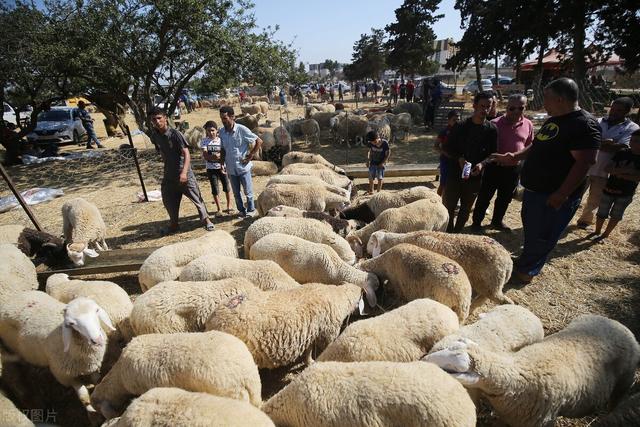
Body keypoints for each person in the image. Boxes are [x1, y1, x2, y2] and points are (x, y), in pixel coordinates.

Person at [492, 78, 600, 283]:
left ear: (560, 99)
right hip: (536, 191)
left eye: (547, 99)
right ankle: (526, 261)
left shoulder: (584, 125)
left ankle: (526, 272)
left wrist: (562, 194)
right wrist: (515, 156)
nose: (544, 104)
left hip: (554, 195)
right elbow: (536, 145)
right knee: (533, 231)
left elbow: (585, 163)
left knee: (544, 235)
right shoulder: (554, 119)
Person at [148, 107, 214, 234]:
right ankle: (174, 224)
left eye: (159, 118)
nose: (156, 121)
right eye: (153, 119)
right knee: (168, 199)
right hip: (169, 174)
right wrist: (167, 165)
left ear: (165, 118)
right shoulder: (155, 136)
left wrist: (184, 172)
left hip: (183, 173)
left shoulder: (175, 134)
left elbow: (186, 154)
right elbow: (161, 151)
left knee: (196, 198)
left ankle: (206, 220)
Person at [472, 94, 533, 231]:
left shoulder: (528, 124)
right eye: (512, 108)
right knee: (485, 197)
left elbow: (529, 145)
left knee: (505, 198)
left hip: (513, 169)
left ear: (525, 107)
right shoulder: (494, 124)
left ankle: (497, 221)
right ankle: (476, 223)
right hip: (494, 167)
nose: (516, 111)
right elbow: (484, 148)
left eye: (520, 108)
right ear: (506, 108)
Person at [576, 97, 639, 229]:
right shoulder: (598, 121)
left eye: (619, 110)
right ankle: (565, 215)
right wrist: (607, 143)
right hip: (584, 166)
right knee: (575, 193)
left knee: (595, 199)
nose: (614, 112)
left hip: (604, 170)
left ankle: (585, 221)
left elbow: (623, 147)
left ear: (627, 112)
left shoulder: (632, 127)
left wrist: (597, 143)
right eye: (613, 109)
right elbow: (584, 140)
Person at [443, 92, 497, 232]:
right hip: (455, 174)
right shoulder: (460, 126)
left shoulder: (491, 130)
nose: (484, 110)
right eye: (482, 106)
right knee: (448, 207)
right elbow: (447, 148)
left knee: (466, 209)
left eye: (488, 107)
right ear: (474, 106)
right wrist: (459, 158)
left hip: (474, 177)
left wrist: (482, 164)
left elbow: (493, 154)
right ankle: (448, 233)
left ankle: (457, 233)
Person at [593, 130, 640, 241]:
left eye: (637, 141)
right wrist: (626, 171)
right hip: (609, 188)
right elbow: (607, 168)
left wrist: (618, 172)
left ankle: (605, 234)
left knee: (616, 215)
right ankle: (597, 231)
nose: (633, 143)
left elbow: (638, 177)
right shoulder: (622, 152)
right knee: (601, 212)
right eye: (632, 140)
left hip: (625, 193)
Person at [218, 106, 263, 218]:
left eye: (225, 118)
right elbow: (223, 148)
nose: (223, 121)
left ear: (232, 117)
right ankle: (241, 210)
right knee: (236, 193)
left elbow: (259, 141)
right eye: (221, 118)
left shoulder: (242, 130)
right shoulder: (221, 132)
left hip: (243, 167)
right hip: (231, 167)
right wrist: (221, 163)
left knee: (248, 191)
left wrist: (250, 155)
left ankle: (251, 210)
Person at [200, 120, 232, 215]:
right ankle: (219, 209)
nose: (211, 133)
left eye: (213, 130)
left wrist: (218, 157)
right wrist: (214, 157)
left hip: (223, 167)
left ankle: (229, 206)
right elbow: (205, 155)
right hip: (211, 168)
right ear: (206, 131)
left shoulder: (221, 140)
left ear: (217, 130)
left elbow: (225, 153)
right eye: (208, 131)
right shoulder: (204, 141)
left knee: (227, 186)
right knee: (215, 188)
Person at [435, 110, 460, 198]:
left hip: (458, 161)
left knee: (457, 184)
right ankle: (436, 201)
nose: (456, 122)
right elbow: (436, 146)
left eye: (458, 119)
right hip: (446, 161)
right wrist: (446, 153)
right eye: (454, 120)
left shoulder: (462, 132)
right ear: (448, 120)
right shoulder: (444, 131)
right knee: (443, 183)